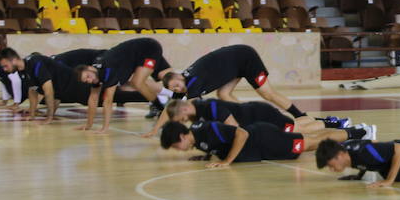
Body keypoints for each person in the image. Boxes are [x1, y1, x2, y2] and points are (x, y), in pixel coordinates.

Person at [147, 45, 308, 134]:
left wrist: (162, 129)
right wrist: (156, 128)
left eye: (177, 85)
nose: (178, 89)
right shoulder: (184, 80)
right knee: (223, 94)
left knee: (267, 92)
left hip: (246, 58)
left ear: (179, 77)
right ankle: (248, 120)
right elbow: (173, 105)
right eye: (174, 89)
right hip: (234, 63)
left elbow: (178, 108)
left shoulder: (193, 82)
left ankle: (299, 115)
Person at [75, 37, 173, 133]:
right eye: (86, 80)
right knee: (164, 77)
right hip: (138, 54)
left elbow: (108, 101)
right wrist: (88, 125)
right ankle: (170, 99)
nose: (90, 80)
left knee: (137, 83)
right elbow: (93, 99)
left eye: (88, 76)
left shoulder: (108, 70)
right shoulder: (95, 73)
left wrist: (104, 128)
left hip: (148, 48)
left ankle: (161, 109)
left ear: (90, 68)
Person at [163, 97, 373, 139]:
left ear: (182, 111)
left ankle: (358, 131)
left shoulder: (209, 107)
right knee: (296, 124)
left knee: (298, 131)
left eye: (181, 120)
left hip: (261, 114)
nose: (184, 123)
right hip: (259, 113)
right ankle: (337, 122)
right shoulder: (200, 109)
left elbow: (233, 128)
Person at [160, 119, 324, 168]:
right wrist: (207, 156)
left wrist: (226, 161)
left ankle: (349, 133)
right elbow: (215, 144)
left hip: (263, 139)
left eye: (176, 146)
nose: (179, 151)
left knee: (309, 143)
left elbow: (241, 133)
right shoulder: (195, 136)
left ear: (182, 137)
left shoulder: (209, 130)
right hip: (260, 145)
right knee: (308, 140)